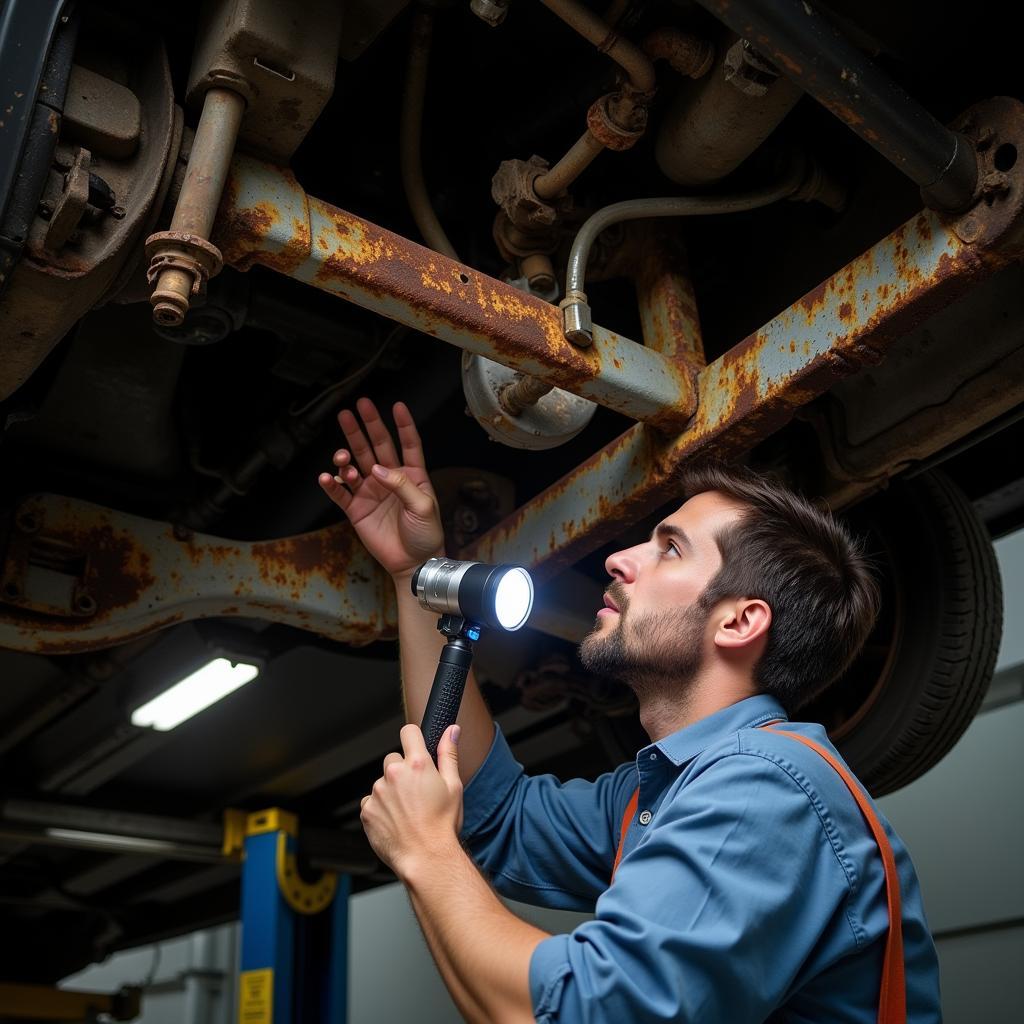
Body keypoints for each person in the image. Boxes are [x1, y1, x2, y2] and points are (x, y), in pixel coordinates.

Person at [318, 397, 941, 1024]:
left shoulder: (763, 786)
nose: (620, 559)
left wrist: (427, 853)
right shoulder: (666, 791)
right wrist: (414, 574)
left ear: (740, 621)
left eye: (669, 548)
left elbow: (590, 1012)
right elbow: (494, 816)